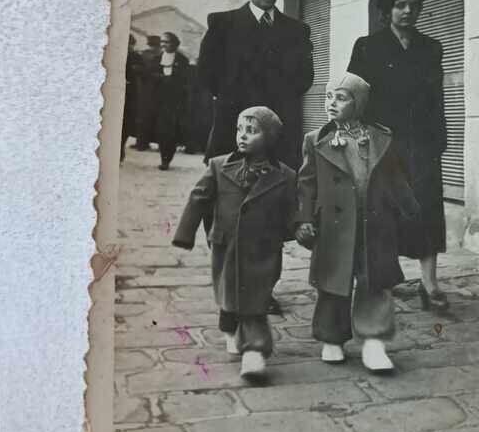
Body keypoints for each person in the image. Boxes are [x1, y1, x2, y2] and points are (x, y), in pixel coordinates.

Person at [296, 73, 420, 372]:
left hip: (375, 223)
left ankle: (374, 342)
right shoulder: (316, 140)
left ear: (359, 102)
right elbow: (306, 184)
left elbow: (395, 179)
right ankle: (332, 339)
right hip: (334, 226)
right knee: (333, 283)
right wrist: (304, 219)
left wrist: (411, 212)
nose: (331, 104)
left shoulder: (380, 138)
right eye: (328, 97)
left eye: (341, 97)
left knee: (375, 281)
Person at [172, 107, 297, 381]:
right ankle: (229, 327)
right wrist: (185, 233)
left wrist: (300, 229)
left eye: (252, 132)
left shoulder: (285, 176)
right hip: (225, 246)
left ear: (270, 137)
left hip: (262, 250)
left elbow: (292, 211)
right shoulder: (218, 166)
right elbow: (198, 199)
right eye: (240, 130)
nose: (243, 136)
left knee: (256, 300)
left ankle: (255, 352)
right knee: (229, 295)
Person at [348, 0, 449, 312]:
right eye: (401, 4)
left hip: (422, 143)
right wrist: (356, 137)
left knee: (428, 208)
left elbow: (437, 99)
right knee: (382, 211)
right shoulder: (367, 47)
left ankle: (429, 282)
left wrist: (439, 141)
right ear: (387, 10)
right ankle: (383, 281)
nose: (408, 11)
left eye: (414, 4)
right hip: (381, 141)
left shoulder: (431, 48)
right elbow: (352, 95)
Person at [196, 0, 314, 171]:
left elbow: (305, 77)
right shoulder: (223, 24)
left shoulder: (297, 30)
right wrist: (229, 96)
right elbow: (206, 72)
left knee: (277, 186)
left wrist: (281, 97)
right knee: (229, 183)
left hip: (280, 121)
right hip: (234, 119)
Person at [150, 32, 190, 170]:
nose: (163, 44)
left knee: (171, 131)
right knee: (161, 130)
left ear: (174, 44)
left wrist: (172, 80)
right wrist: (162, 78)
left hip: (175, 101)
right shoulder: (156, 59)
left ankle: (167, 159)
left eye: (166, 42)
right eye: (162, 42)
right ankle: (163, 157)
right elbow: (150, 75)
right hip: (160, 100)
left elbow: (185, 80)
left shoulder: (182, 60)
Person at [133, 34, 162, 150]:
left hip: (148, 90)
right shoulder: (157, 55)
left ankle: (142, 143)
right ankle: (143, 142)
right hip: (149, 90)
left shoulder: (145, 54)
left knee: (144, 117)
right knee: (146, 117)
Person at [120, 34, 142, 162]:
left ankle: (121, 148)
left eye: (130, 45)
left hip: (130, 96)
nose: (128, 47)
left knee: (126, 124)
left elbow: (143, 71)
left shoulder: (136, 57)